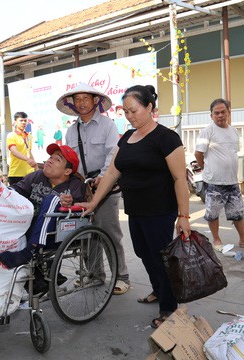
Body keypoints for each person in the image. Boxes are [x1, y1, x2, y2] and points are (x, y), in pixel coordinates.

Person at [75, 85, 191, 328]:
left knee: (161, 258)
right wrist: (94, 202)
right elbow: (112, 171)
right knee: (143, 253)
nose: (130, 116)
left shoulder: (166, 138)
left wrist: (184, 215)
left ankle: (169, 308)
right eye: (126, 112)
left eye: (134, 110)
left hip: (160, 210)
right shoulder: (128, 137)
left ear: (150, 108)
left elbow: (180, 179)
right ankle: (159, 290)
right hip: (136, 209)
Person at [56, 82, 131, 295]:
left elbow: (112, 154)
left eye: (85, 98)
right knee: (84, 233)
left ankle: (121, 277)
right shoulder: (71, 130)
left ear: (95, 101)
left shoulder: (108, 125)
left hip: (106, 185)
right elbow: (71, 160)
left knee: (109, 231)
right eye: (77, 99)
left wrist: (103, 176)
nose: (81, 103)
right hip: (81, 187)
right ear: (72, 104)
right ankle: (94, 275)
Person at [0, 143, 84, 268]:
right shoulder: (38, 175)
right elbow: (17, 189)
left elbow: (80, 206)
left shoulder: (74, 185)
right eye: (50, 157)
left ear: (67, 171)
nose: (50, 161)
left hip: (54, 234)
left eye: (57, 159)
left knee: (53, 200)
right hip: (27, 226)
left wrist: (69, 202)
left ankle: (29, 251)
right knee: (4, 195)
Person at [194, 98, 244, 251]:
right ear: (211, 115)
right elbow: (198, 154)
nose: (220, 115)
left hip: (232, 181)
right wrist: (206, 169)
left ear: (228, 113)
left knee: (237, 212)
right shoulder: (208, 131)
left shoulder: (234, 131)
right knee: (213, 213)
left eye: (223, 112)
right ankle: (216, 239)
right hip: (215, 182)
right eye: (216, 113)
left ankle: (243, 239)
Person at [6, 112, 37, 185]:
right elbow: (14, 151)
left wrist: (36, 168)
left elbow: (29, 152)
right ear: (15, 122)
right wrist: (28, 159)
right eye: (21, 120)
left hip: (30, 173)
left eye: (25, 121)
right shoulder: (11, 135)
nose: (23, 122)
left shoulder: (29, 136)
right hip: (16, 174)